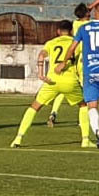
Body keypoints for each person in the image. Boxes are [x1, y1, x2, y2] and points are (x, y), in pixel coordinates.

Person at [11, 20, 91, 148]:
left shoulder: (51, 43)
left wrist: (41, 75)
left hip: (52, 81)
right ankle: (85, 140)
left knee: (34, 107)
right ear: (71, 31)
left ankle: (18, 138)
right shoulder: (77, 43)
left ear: (58, 31)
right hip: (70, 80)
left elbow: (41, 56)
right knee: (83, 105)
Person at [58, 5, 99, 148]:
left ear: (94, 13)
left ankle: (96, 130)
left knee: (92, 105)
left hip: (89, 71)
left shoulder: (84, 28)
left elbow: (72, 47)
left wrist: (64, 62)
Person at [48, 3, 91, 126]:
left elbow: (85, 12)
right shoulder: (90, 24)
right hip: (83, 58)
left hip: (71, 58)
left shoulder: (76, 23)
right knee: (85, 90)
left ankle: (53, 112)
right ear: (87, 14)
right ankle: (82, 120)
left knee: (63, 88)